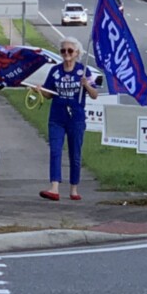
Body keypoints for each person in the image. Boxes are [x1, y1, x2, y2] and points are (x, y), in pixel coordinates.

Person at [36, 37, 98, 201]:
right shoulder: (55, 71)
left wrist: (86, 85)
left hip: (76, 117)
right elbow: (49, 93)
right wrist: (40, 91)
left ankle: (74, 189)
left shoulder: (84, 71)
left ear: (77, 53)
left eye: (70, 50)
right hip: (57, 116)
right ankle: (54, 187)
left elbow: (94, 95)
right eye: (63, 50)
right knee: (55, 151)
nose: (66, 54)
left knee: (75, 154)